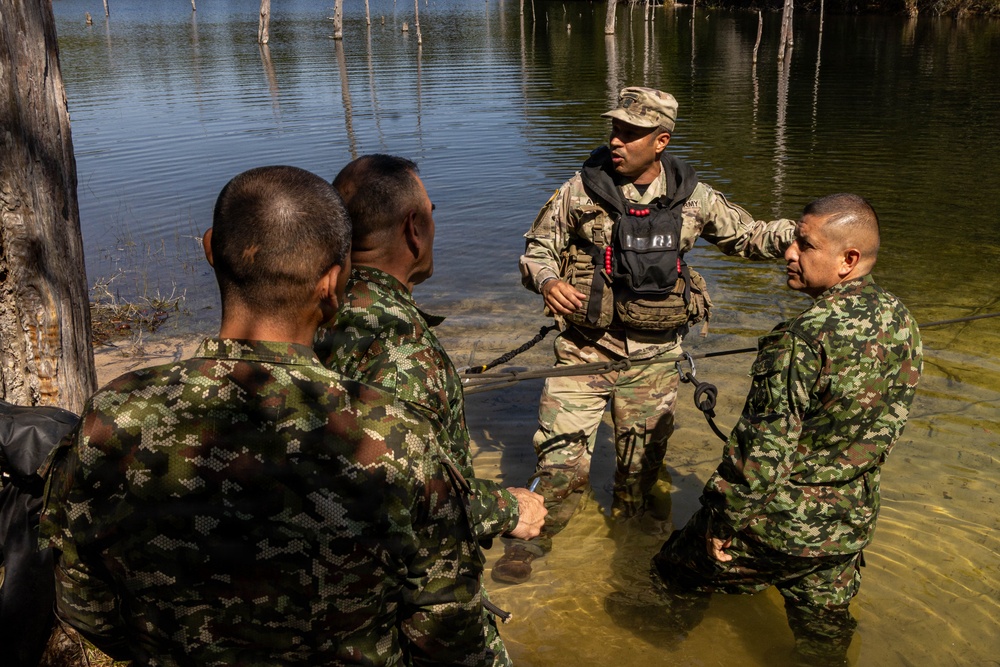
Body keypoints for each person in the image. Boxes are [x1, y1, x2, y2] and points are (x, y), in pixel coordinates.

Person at [39, 166, 494, 665]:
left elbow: (83, 605)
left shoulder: (111, 419)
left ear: (210, 248)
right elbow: (451, 635)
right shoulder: (397, 437)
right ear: (332, 283)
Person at [502, 86, 796, 584]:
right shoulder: (581, 189)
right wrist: (548, 280)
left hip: (656, 359)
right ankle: (536, 539)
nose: (616, 141)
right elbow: (536, 249)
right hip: (584, 349)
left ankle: (633, 550)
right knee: (560, 459)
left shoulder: (693, 198)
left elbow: (748, 237)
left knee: (641, 469)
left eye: (631, 133)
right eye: (615, 129)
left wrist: (807, 234)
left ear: (660, 141)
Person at [644, 193, 922, 662]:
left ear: (847, 260)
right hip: (848, 527)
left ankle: (662, 649)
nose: (789, 252)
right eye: (792, 238)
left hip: (777, 526)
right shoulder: (901, 320)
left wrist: (725, 522)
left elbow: (762, 452)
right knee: (823, 645)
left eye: (805, 245)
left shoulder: (802, 338)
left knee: (669, 575)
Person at [315, 155, 547, 666]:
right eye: (433, 212)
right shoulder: (404, 353)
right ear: (414, 230)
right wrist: (510, 509)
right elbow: (413, 506)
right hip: (410, 620)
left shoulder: (316, 311)